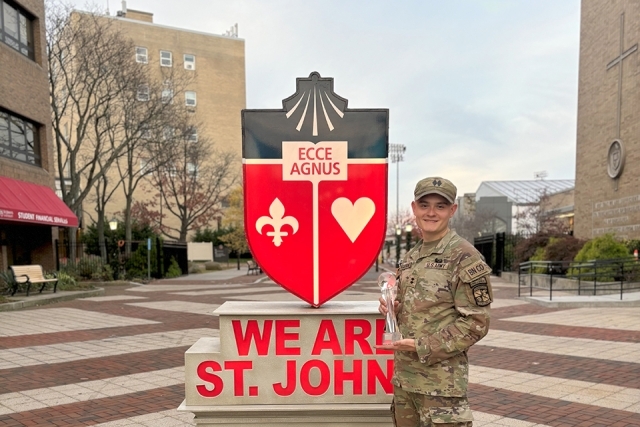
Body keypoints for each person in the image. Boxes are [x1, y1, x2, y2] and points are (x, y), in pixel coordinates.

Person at [378, 176, 493, 427]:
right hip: (405, 384)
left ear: (452, 210)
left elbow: (476, 323)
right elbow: (414, 309)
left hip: (441, 388)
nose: (431, 212)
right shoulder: (410, 257)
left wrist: (422, 346)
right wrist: (392, 310)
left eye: (440, 206)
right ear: (414, 208)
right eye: (425, 205)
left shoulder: (464, 256)